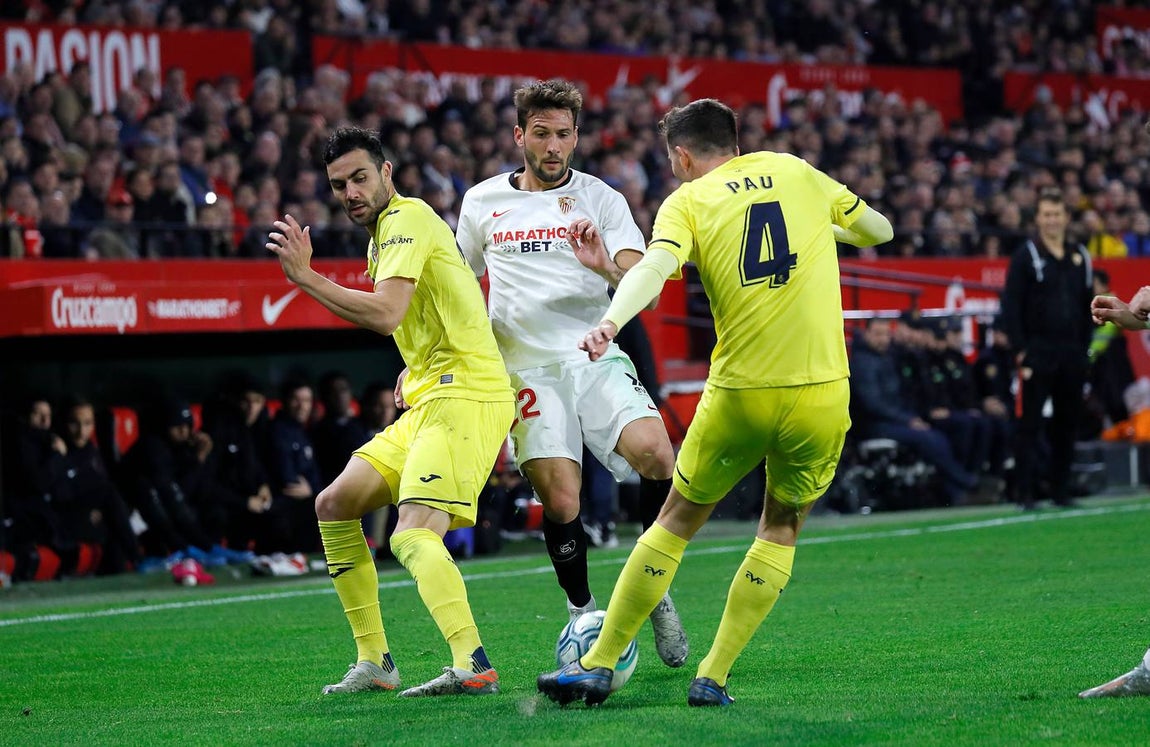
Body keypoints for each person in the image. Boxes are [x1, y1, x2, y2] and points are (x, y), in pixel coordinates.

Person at [536, 98, 893, 707]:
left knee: (674, 521)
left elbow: (654, 270)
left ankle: (598, 663)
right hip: (821, 391)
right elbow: (879, 231)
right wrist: (821, 227)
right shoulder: (796, 172)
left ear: (681, 155)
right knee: (780, 526)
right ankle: (713, 675)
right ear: (734, 141)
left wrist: (610, 322)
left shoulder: (689, 201)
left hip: (741, 393)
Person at [265, 126, 514, 697]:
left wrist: (305, 277)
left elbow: (384, 314)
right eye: (338, 185)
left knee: (412, 533)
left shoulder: (406, 218)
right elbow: (426, 310)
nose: (351, 193)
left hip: (467, 396)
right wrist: (416, 365)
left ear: (386, 172)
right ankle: (375, 661)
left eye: (360, 178)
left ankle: (472, 663)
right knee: (334, 505)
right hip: (432, 396)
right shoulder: (381, 238)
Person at [455, 79, 687, 668]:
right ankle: (581, 612)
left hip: (593, 353)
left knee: (658, 454)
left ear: (577, 136)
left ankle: (652, 586)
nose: (553, 145)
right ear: (519, 135)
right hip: (526, 368)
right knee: (561, 499)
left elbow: (645, 288)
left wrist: (603, 264)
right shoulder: (481, 202)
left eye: (563, 134)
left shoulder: (602, 199)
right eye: (541, 134)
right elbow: (458, 288)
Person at [999, 187, 1093, 510]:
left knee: (1067, 423)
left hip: (1072, 352)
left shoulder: (1080, 256)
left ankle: (1060, 489)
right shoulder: (1026, 256)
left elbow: (1086, 305)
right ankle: (1024, 492)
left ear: (1066, 218)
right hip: (1037, 351)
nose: (1052, 220)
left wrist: (1084, 349)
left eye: (1057, 214)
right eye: (1046, 215)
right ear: (1037, 219)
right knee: (1029, 423)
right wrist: (1021, 350)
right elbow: (1011, 305)